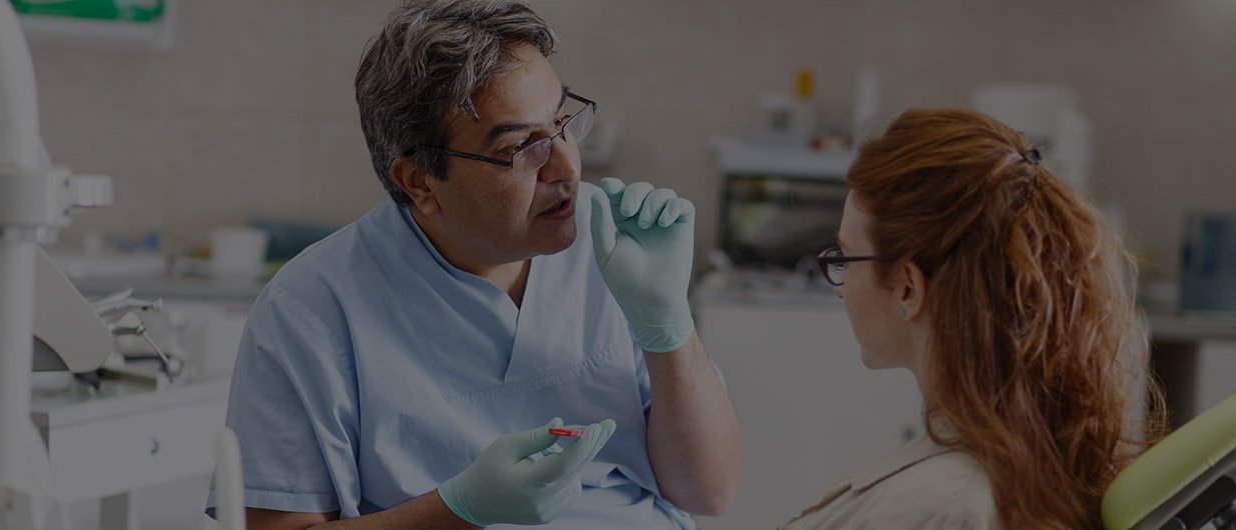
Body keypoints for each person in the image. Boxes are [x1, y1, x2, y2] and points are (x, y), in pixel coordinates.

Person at [205, 1, 741, 528]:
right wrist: (458, 510)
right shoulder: (312, 309)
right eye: (520, 147)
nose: (565, 166)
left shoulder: (614, 241)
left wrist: (668, 326)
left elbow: (708, 492)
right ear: (419, 182)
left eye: (562, 122)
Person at [781, 108, 1166, 529]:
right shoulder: (1027, 459)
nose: (840, 286)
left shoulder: (941, 507)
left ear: (908, 288)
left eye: (846, 259)